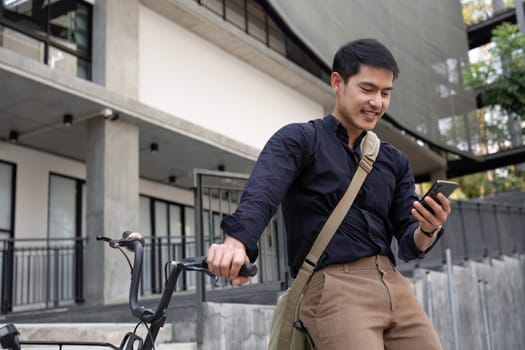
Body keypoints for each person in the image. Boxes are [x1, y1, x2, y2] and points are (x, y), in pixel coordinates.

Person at [207, 38, 450, 349]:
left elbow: (409, 244)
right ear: (338, 82)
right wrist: (237, 241)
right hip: (334, 287)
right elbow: (263, 191)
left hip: (395, 286)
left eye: (385, 93)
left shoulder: (394, 161)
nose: (377, 102)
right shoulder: (300, 140)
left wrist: (428, 227)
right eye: (367, 89)